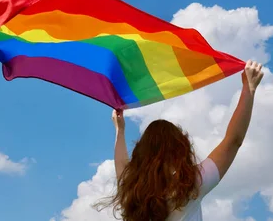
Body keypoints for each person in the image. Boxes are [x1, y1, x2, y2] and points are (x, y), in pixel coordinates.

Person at [95, 60, 264, 221]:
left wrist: (120, 131)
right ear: (180, 151)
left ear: (140, 153)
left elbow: (121, 165)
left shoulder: (131, 193)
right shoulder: (190, 186)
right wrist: (248, 89)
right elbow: (233, 141)